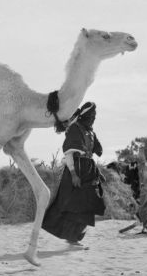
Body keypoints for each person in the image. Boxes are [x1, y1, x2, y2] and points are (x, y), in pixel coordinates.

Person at [42, 101, 106, 246]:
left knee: (88, 206)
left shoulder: (90, 132)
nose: (94, 118)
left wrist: (97, 172)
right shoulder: (75, 129)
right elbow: (69, 154)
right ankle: (72, 238)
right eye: (92, 115)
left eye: (95, 115)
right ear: (85, 115)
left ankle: (75, 237)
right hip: (76, 171)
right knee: (73, 207)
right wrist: (73, 174)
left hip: (88, 171)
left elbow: (93, 153)